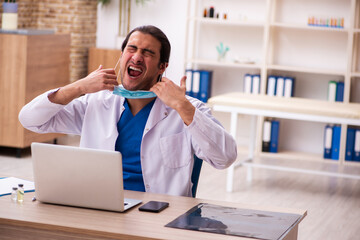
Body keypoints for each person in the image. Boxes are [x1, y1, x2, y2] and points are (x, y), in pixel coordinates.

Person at [19, 25, 237, 197]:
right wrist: (78, 87)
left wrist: (183, 107)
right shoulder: (97, 103)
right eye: (131, 49)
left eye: (148, 52)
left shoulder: (187, 108)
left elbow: (224, 158)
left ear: (162, 67)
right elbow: (30, 120)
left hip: (158, 213)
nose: (137, 57)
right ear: (122, 57)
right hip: (99, 205)